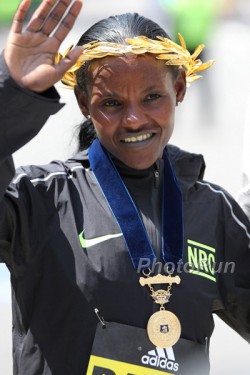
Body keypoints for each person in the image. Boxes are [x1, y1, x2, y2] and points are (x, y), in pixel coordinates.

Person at [0, 0, 250, 374]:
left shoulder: (211, 209)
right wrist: (12, 95)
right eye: (112, 103)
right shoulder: (40, 199)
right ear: (85, 103)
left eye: (152, 97)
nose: (134, 119)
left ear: (179, 89)